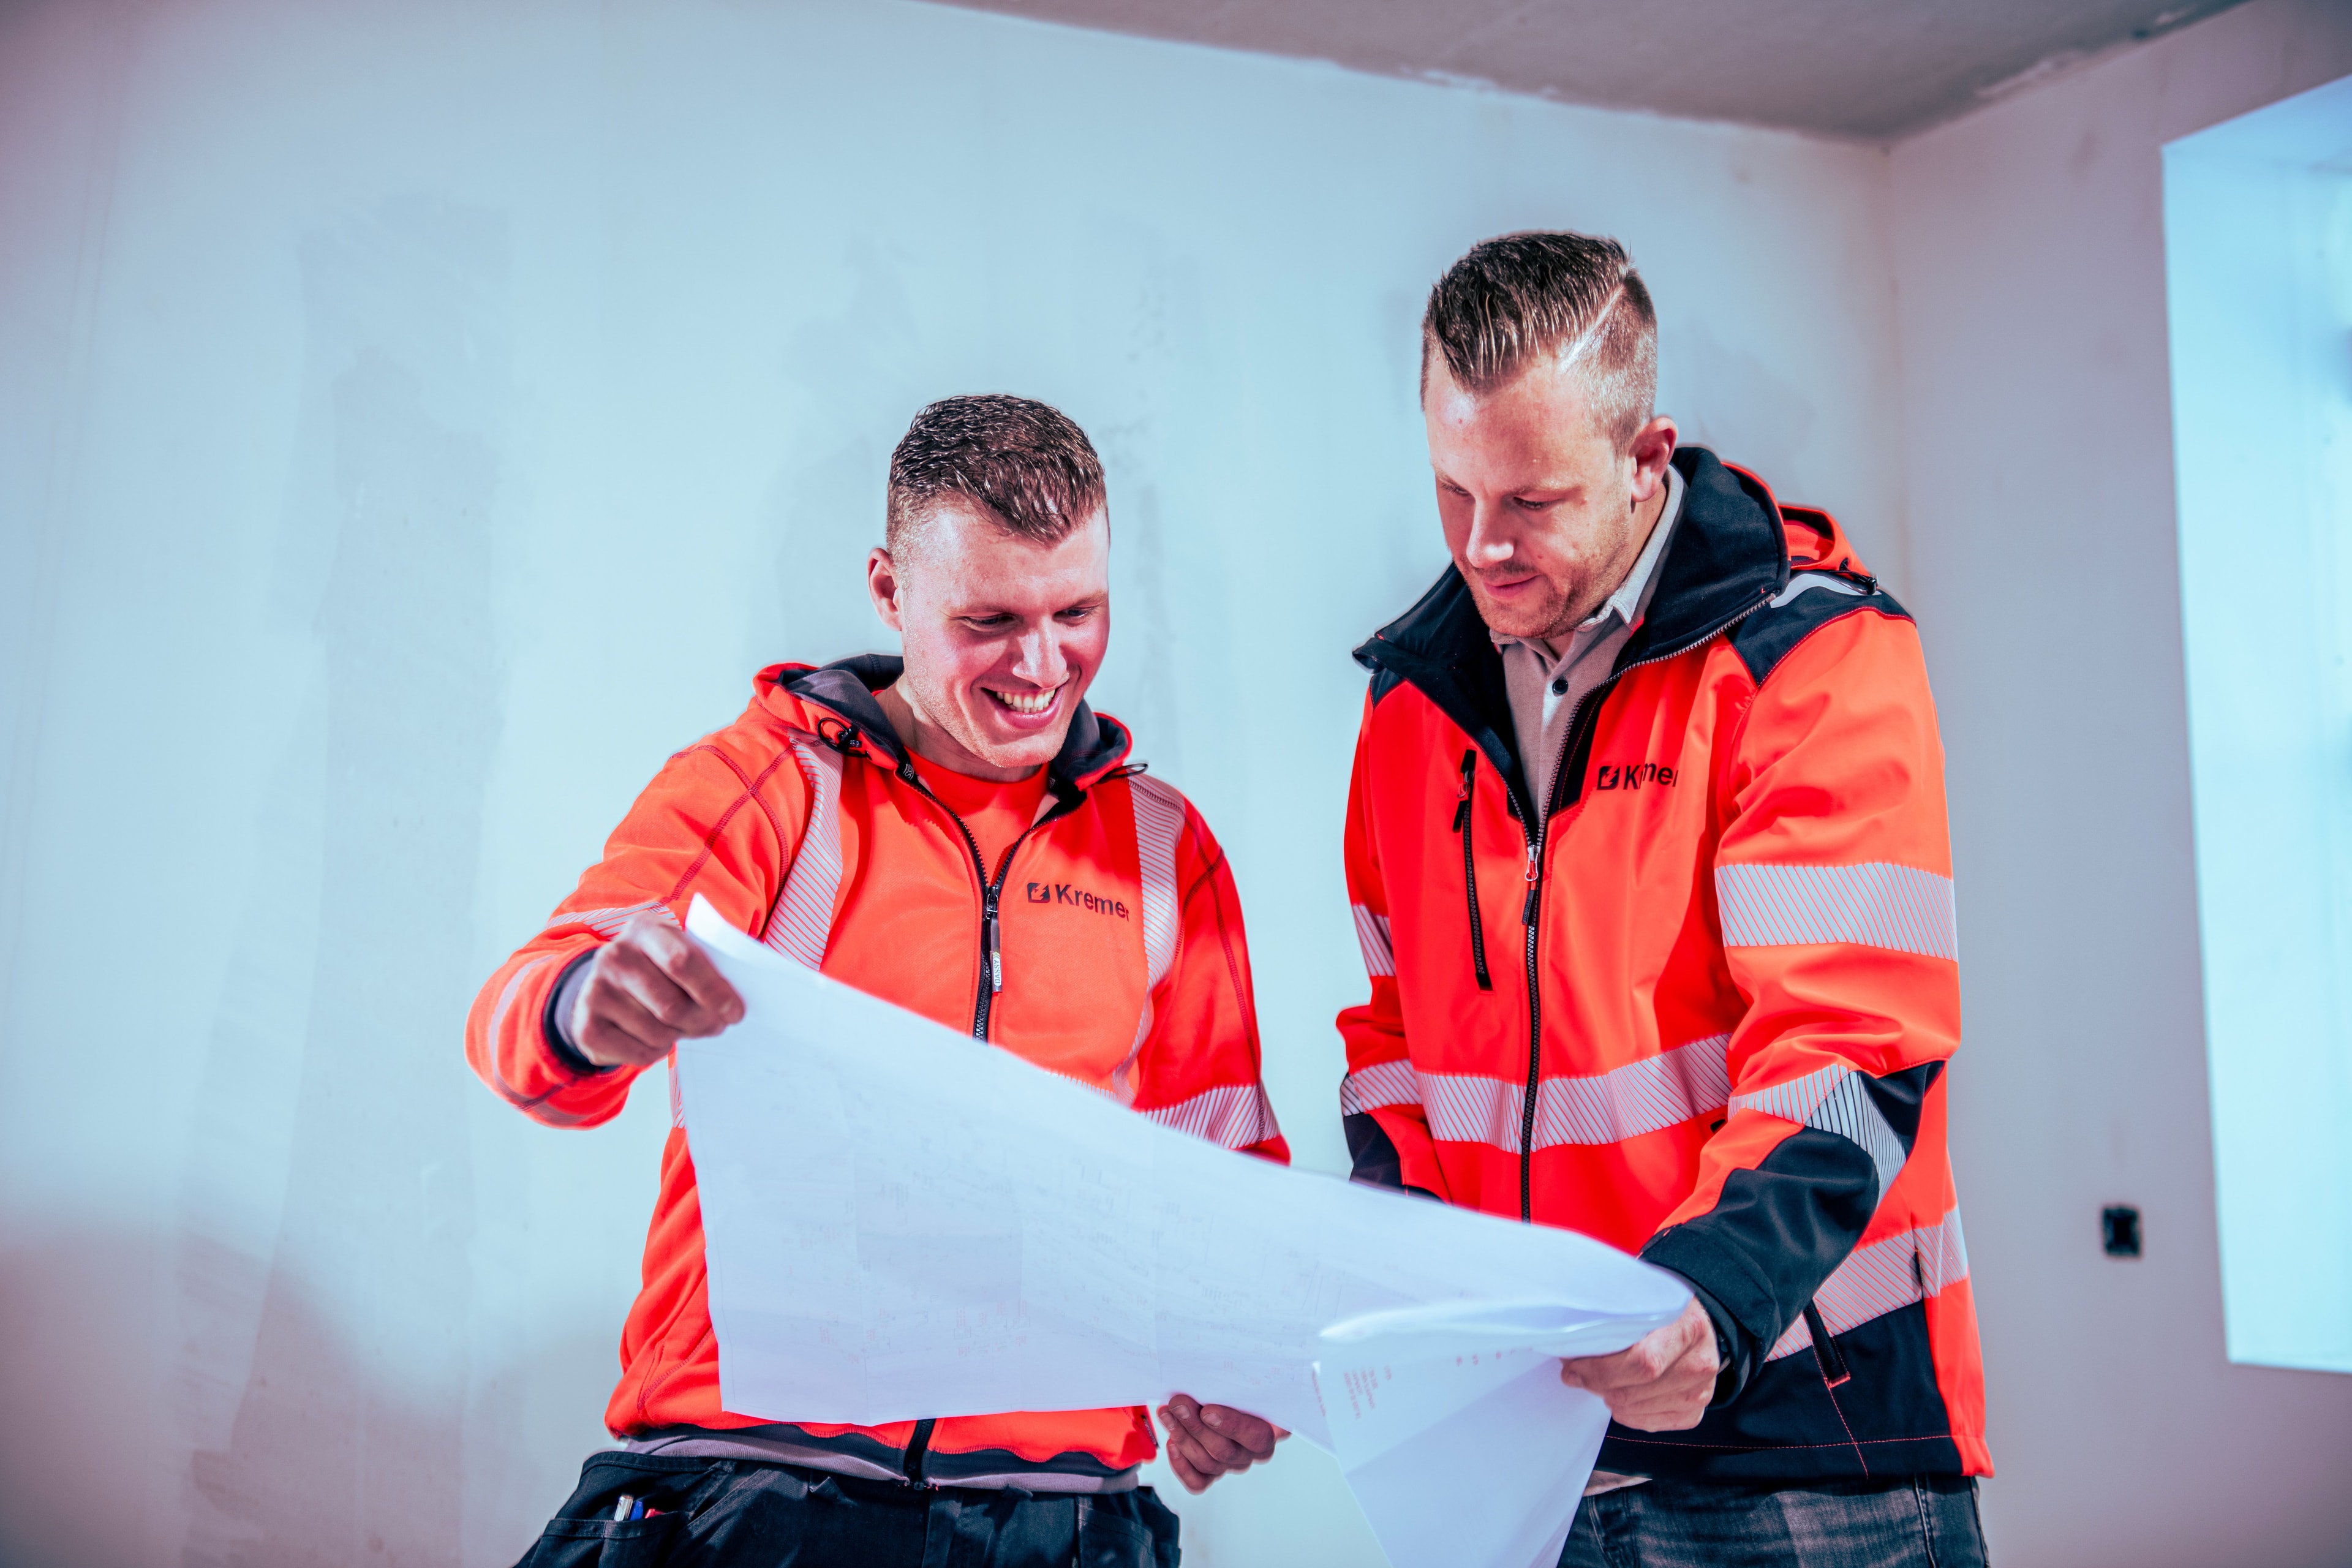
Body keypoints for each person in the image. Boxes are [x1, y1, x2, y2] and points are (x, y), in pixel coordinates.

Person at [468, 394, 1287, 1567]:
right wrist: (584, 1005)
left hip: (1063, 1517)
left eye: (1078, 611)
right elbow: (525, 1011)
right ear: (889, 591)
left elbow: (1225, 1189)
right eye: (991, 619)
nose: (1042, 664)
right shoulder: (771, 789)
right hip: (755, 1489)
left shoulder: (1165, 852)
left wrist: (1235, 1364)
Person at [1337, 232, 1990, 1564]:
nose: (1482, 545)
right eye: (1452, 491)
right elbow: (1396, 1048)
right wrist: (1402, 1295)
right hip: (1534, 1453)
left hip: (1805, 1432)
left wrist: (1712, 1300)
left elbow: (1852, 1045)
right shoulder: (1408, 710)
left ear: (1648, 458)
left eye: (1531, 498)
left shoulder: (1813, 657)